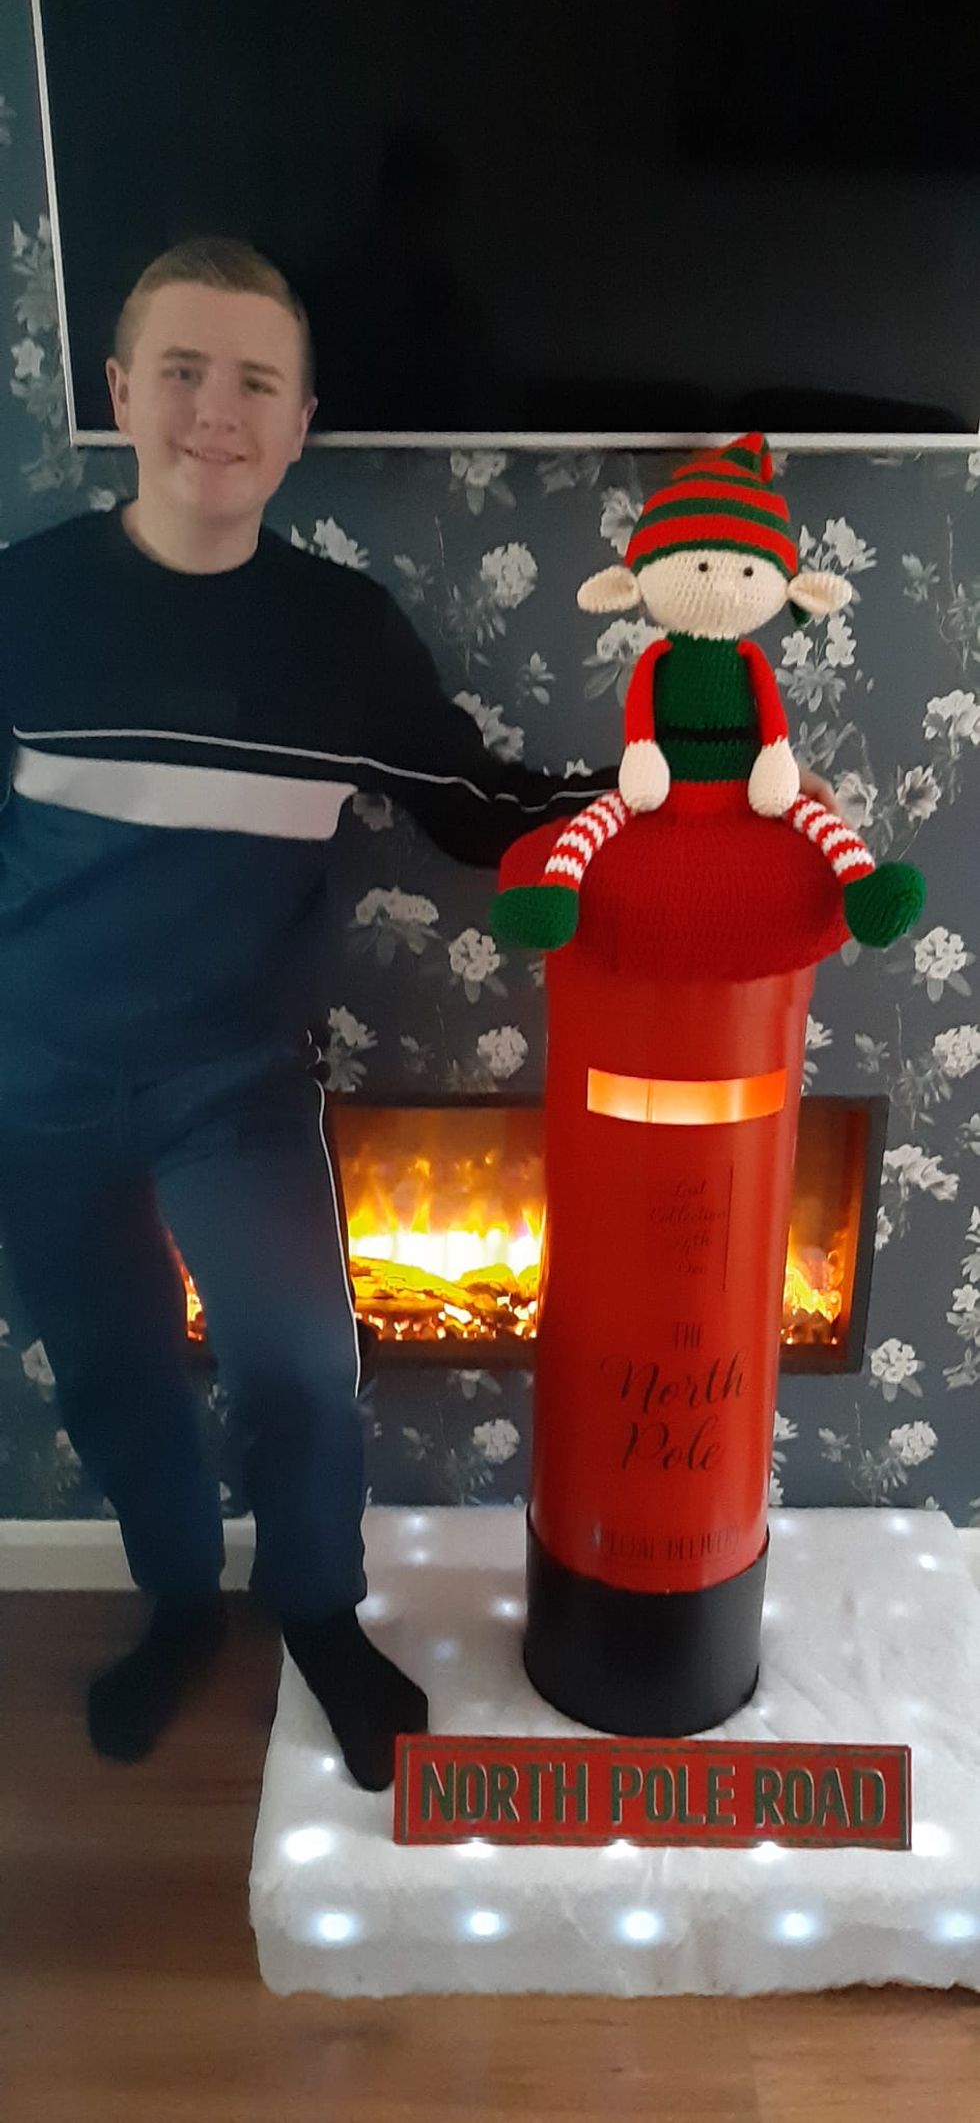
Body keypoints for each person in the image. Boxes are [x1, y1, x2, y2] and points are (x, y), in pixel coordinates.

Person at [0, 237, 839, 1790]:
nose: (215, 411)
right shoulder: (24, 604)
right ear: (118, 393)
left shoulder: (341, 633)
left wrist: (706, 810)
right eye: (180, 371)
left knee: (304, 1368)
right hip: (35, 1086)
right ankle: (179, 1602)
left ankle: (317, 1608)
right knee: (112, 1369)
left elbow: (476, 805)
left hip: (232, 1089)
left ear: (303, 421)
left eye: (255, 380)